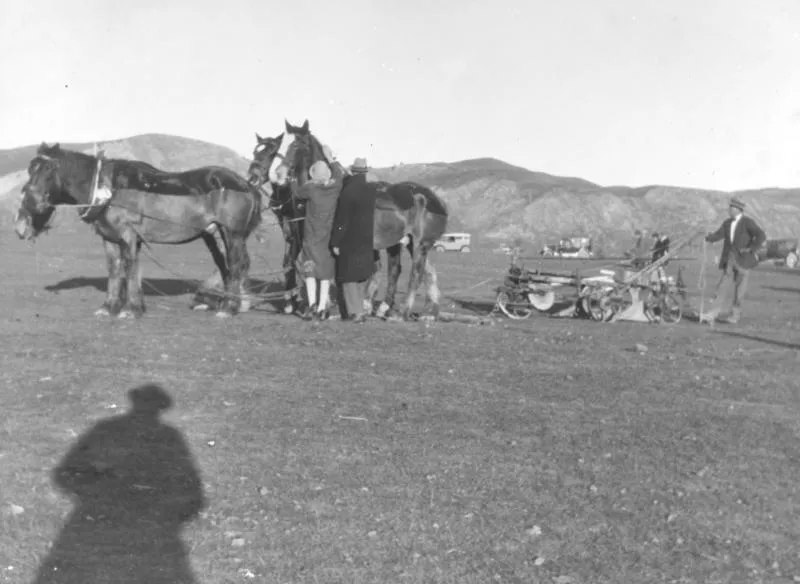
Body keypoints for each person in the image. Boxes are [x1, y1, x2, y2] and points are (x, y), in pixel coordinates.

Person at [293, 159, 345, 321]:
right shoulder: (336, 188)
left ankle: (312, 305)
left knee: (309, 272)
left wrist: (292, 180)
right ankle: (322, 308)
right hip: (327, 239)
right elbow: (338, 175)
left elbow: (296, 192)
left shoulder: (310, 189)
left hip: (311, 238)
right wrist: (332, 160)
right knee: (325, 275)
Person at [329, 157, 377, 323]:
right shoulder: (371, 190)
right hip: (366, 239)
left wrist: (335, 241)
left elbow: (342, 221)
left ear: (352, 171)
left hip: (349, 240)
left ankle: (354, 312)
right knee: (360, 277)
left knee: (348, 278)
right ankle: (360, 311)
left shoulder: (348, 191)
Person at [704, 197, 766, 324]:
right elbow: (718, 235)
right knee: (722, 286)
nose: (729, 210)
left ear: (738, 209)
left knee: (739, 291)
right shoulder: (727, 223)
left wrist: (751, 249)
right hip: (729, 259)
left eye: (731, 208)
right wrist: (708, 237)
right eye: (730, 207)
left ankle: (735, 316)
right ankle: (711, 314)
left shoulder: (747, 222)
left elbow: (761, 235)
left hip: (744, 261)